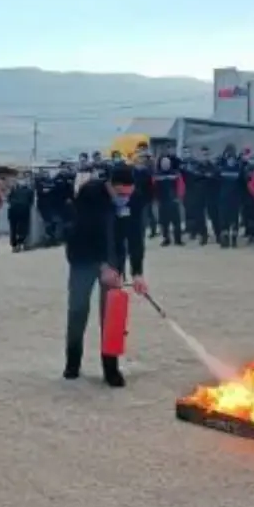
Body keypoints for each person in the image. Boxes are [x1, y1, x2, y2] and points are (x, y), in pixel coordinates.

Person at [63, 163, 146, 387]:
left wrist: (137, 272)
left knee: (112, 315)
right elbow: (82, 232)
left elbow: (135, 236)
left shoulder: (134, 199)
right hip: (83, 258)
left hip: (114, 259)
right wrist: (102, 266)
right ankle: (72, 362)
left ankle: (111, 368)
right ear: (110, 185)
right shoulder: (89, 193)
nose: (124, 199)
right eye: (120, 194)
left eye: (128, 194)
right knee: (78, 309)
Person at [214, 145, 243, 248]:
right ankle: (224, 240)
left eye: (233, 158)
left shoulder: (239, 169)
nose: (231, 160)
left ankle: (234, 239)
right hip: (223, 199)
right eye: (229, 158)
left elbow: (242, 184)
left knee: (234, 220)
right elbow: (215, 181)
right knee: (223, 220)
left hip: (235, 199)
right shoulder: (221, 169)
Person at [7, 172, 35, 252]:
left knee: (24, 228)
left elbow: (31, 201)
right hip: (14, 211)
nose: (22, 181)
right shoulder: (13, 189)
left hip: (25, 211)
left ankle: (23, 242)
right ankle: (15, 245)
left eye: (23, 179)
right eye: (20, 179)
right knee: (14, 229)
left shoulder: (29, 190)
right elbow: (9, 199)